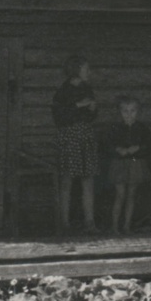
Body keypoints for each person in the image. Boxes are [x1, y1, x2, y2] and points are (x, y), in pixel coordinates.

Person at [51, 54, 99, 234]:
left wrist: (93, 109)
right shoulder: (63, 91)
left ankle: (90, 222)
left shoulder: (87, 89)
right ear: (76, 70)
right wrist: (78, 105)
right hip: (70, 138)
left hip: (85, 136)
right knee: (67, 180)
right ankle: (64, 223)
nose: (89, 72)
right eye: (86, 69)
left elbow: (92, 115)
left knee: (88, 180)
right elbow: (59, 117)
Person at [106, 95, 151, 235]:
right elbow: (108, 145)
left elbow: (148, 145)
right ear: (119, 112)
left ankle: (126, 225)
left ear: (138, 112)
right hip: (119, 165)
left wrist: (137, 148)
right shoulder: (115, 128)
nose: (129, 114)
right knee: (120, 194)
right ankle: (114, 226)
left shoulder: (141, 128)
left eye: (132, 111)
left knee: (131, 194)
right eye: (125, 111)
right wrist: (118, 149)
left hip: (135, 164)